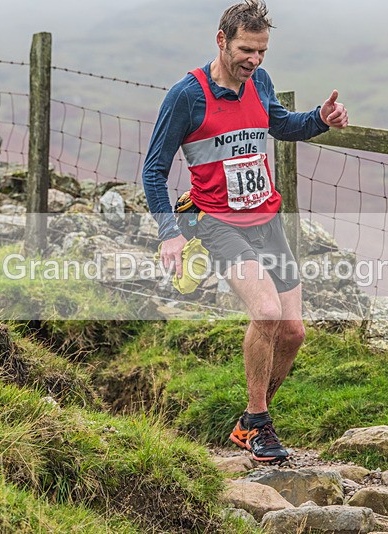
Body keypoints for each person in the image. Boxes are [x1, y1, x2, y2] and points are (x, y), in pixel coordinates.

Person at [142, 0, 348, 463]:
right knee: (268, 311)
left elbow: (281, 125)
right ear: (221, 40)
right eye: (245, 50)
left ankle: (251, 421)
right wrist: (169, 232)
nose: (254, 60)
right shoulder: (186, 96)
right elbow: (154, 170)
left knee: (293, 333)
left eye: (261, 51)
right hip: (217, 222)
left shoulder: (261, 82)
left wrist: (319, 119)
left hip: (267, 221)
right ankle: (258, 423)